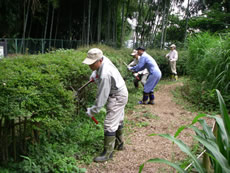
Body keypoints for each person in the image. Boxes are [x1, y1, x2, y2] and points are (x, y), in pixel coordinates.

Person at [82, 48, 128, 162]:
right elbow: (97, 71)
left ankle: (108, 153)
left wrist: (92, 111)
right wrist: (94, 75)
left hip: (117, 95)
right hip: (121, 91)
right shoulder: (104, 59)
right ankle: (120, 143)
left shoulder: (105, 75)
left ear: (99, 60)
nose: (90, 66)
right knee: (118, 119)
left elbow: (102, 97)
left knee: (109, 124)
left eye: (92, 64)